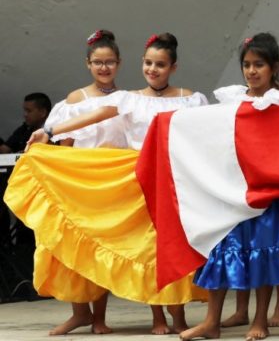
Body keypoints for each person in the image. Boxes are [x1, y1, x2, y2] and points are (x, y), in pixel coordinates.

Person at [28, 32, 208, 335]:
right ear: (141, 63)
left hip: (176, 181)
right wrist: (48, 129)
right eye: (148, 63)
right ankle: (158, 317)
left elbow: (205, 134)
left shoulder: (192, 99)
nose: (153, 69)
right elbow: (93, 116)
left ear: (173, 67)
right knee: (148, 248)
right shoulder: (129, 99)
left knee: (173, 248)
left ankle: (178, 316)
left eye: (160, 65)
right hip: (140, 179)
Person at [181, 33, 279, 341]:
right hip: (233, 190)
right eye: (246, 65)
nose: (251, 71)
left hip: (270, 192)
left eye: (259, 65)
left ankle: (260, 320)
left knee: (263, 252)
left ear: (274, 67)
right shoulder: (232, 99)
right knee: (223, 249)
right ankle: (211, 322)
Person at [36, 29, 127, 335]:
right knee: (76, 246)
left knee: (100, 247)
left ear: (119, 63)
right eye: (98, 62)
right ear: (88, 63)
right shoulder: (76, 99)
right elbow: (66, 147)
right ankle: (80, 312)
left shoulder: (126, 99)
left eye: (110, 62)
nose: (104, 68)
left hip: (111, 182)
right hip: (79, 183)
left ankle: (99, 316)